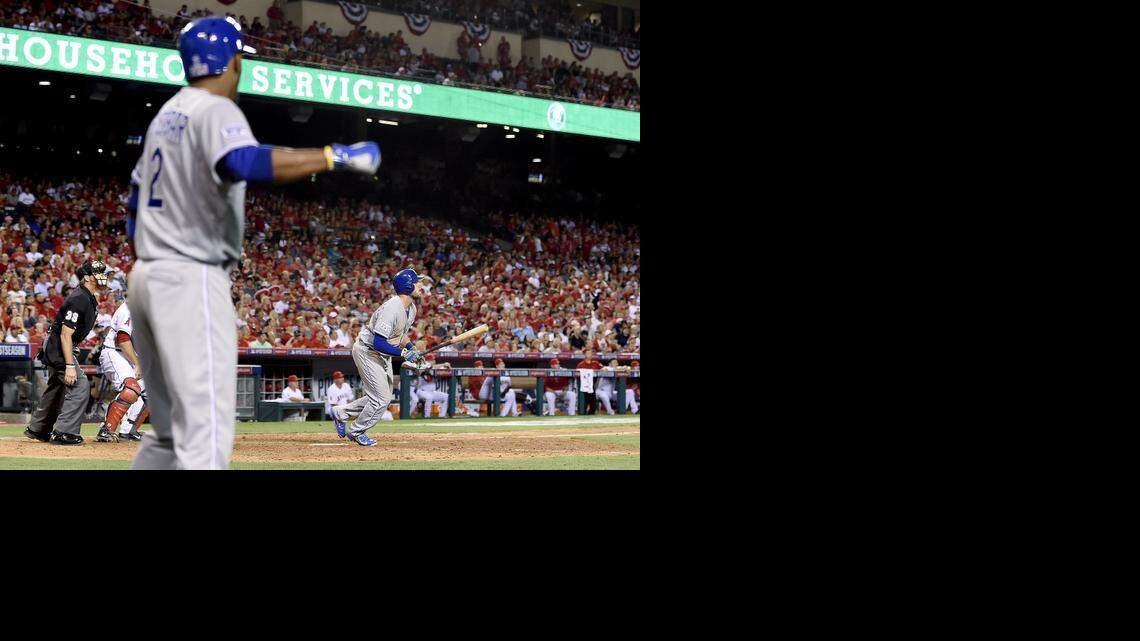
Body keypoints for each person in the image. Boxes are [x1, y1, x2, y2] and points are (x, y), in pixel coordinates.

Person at [127, 16, 381, 469]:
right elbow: (244, 161)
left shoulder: (167, 116)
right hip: (188, 277)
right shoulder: (214, 108)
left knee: (168, 440)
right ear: (232, 61)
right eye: (241, 59)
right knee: (204, 440)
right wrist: (332, 156)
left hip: (146, 275)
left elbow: (133, 209)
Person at [331, 268, 434, 445]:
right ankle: (356, 431)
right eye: (417, 282)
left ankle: (341, 413)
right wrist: (404, 354)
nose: (420, 285)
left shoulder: (411, 309)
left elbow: (399, 336)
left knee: (382, 397)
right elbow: (379, 342)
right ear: (408, 286)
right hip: (367, 351)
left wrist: (411, 348)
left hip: (381, 354)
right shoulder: (392, 308)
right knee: (381, 399)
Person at [24, 260, 108, 445]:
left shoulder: (88, 296)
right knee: (80, 385)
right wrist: (70, 365)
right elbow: (65, 334)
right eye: (98, 273)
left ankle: (38, 429)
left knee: (57, 386)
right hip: (58, 344)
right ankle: (64, 432)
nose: (103, 276)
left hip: (59, 344)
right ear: (87, 277)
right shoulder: (79, 298)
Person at [94, 296, 149, 442]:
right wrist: (138, 364)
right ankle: (106, 430)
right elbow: (123, 339)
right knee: (131, 388)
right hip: (114, 352)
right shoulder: (128, 309)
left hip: (130, 355)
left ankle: (128, 430)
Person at [577, 348, 603, 414]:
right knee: (584, 404)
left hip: (592, 386)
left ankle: (590, 415)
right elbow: (576, 375)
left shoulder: (595, 363)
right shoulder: (580, 364)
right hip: (583, 386)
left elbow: (603, 368)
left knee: (593, 405)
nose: (589, 355)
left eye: (590, 353)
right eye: (588, 353)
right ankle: (582, 415)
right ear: (584, 355)